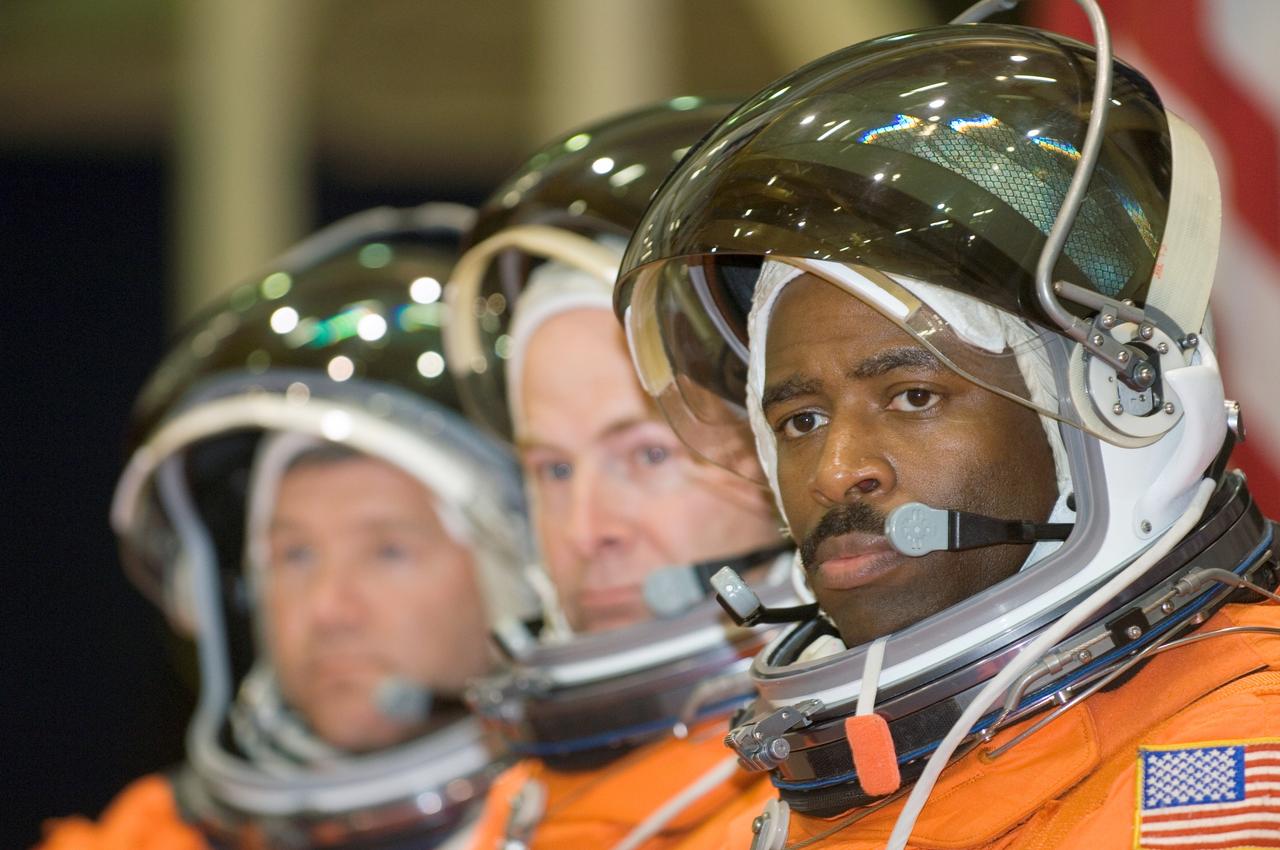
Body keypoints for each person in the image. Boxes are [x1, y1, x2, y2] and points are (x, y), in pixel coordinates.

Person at [614, 5, 1280, 849]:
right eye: (800, 418)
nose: (836, 470)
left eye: (913, 397)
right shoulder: (795, 810)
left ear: (1112, 418)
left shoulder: (1237, 773)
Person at [38, 204, 539, 850]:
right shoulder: (143, 839)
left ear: (517, 575)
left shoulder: (640, 824)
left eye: (387, 551)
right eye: (295, 556)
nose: (329, 610)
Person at [443, 100, 802, 850]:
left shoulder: (835, 800)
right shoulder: (505, 818)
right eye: (552, 468)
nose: (584, 532)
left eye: (646, 455)